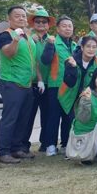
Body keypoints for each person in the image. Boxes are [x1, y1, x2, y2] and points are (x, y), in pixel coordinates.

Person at [0, 6, 38, 164]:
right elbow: (8, 53)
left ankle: (17, 148)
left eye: (23, 16)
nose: (21, 18)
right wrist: (15, 40)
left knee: (23, 118)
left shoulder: (28, 37)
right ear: (9, 19)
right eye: (17, 16)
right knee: (10, 118)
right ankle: (3, 152)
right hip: (12, 82)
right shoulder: (6, 35)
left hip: (27, 84)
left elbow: (33, 60)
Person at [39, 16, 78, 156]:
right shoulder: (53, 42)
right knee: (53, 116)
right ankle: (50, 145)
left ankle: (66, 144)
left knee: (69, 117)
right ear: (58, 28)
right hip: (56, 85)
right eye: (64, 26)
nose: (67, 29)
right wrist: (49, 45)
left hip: (70, 87)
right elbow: (45, 60)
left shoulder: (75, 46)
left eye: (70, 26)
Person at [59, 36, 97, 151]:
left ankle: (81, 146)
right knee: (69, 120)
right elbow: (69, 82)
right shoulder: (71, 60)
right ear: (82, 47)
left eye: (94, 47)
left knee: (82, 120)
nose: (91, 49)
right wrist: (73, 68)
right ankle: (65, 145)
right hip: (69, 95)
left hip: (86, 96)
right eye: (88, 46)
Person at [26, 6, 55, 155]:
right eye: (38, 21)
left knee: (47, 116)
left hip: (49, 84)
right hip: (31, 83)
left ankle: (45, 143)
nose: (41, 24)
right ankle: (23, 145)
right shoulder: (28, 39)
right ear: (33, 23)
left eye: (44, 22)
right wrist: (31, 40)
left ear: (49, 24)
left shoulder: (53, 40)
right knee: (28, 116)